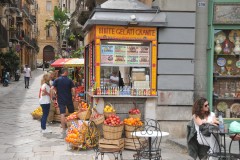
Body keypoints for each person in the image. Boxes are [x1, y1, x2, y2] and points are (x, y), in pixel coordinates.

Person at [51, 68, 75, 136]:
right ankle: (72, 127)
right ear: (65, 72)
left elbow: (52, 88)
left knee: (62, 113)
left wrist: (54, 95)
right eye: (67, 72)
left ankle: (64, 129)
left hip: (60, 99)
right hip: (69, 99)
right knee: (72, 113)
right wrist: (73, 96)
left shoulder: (57, 80)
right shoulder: (69, 80)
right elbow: (73, 89)